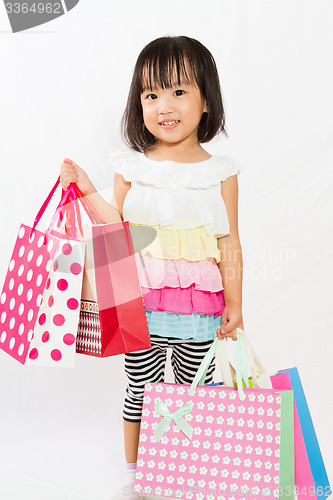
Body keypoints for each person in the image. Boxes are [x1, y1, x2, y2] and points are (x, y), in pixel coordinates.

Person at [60, 35, 245, 499]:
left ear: (207, 101)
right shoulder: (131, 166)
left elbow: (230, 240)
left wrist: (236, 303)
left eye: (179, 91)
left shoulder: (220, 171)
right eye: (151, 94)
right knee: (141, 386)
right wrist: (84, 186)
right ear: (137, 103)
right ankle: (134, 473)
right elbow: (115, 224)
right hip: (139, 298)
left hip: (200, 303)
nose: (165, 105)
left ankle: (180, 470)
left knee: (191, 390)